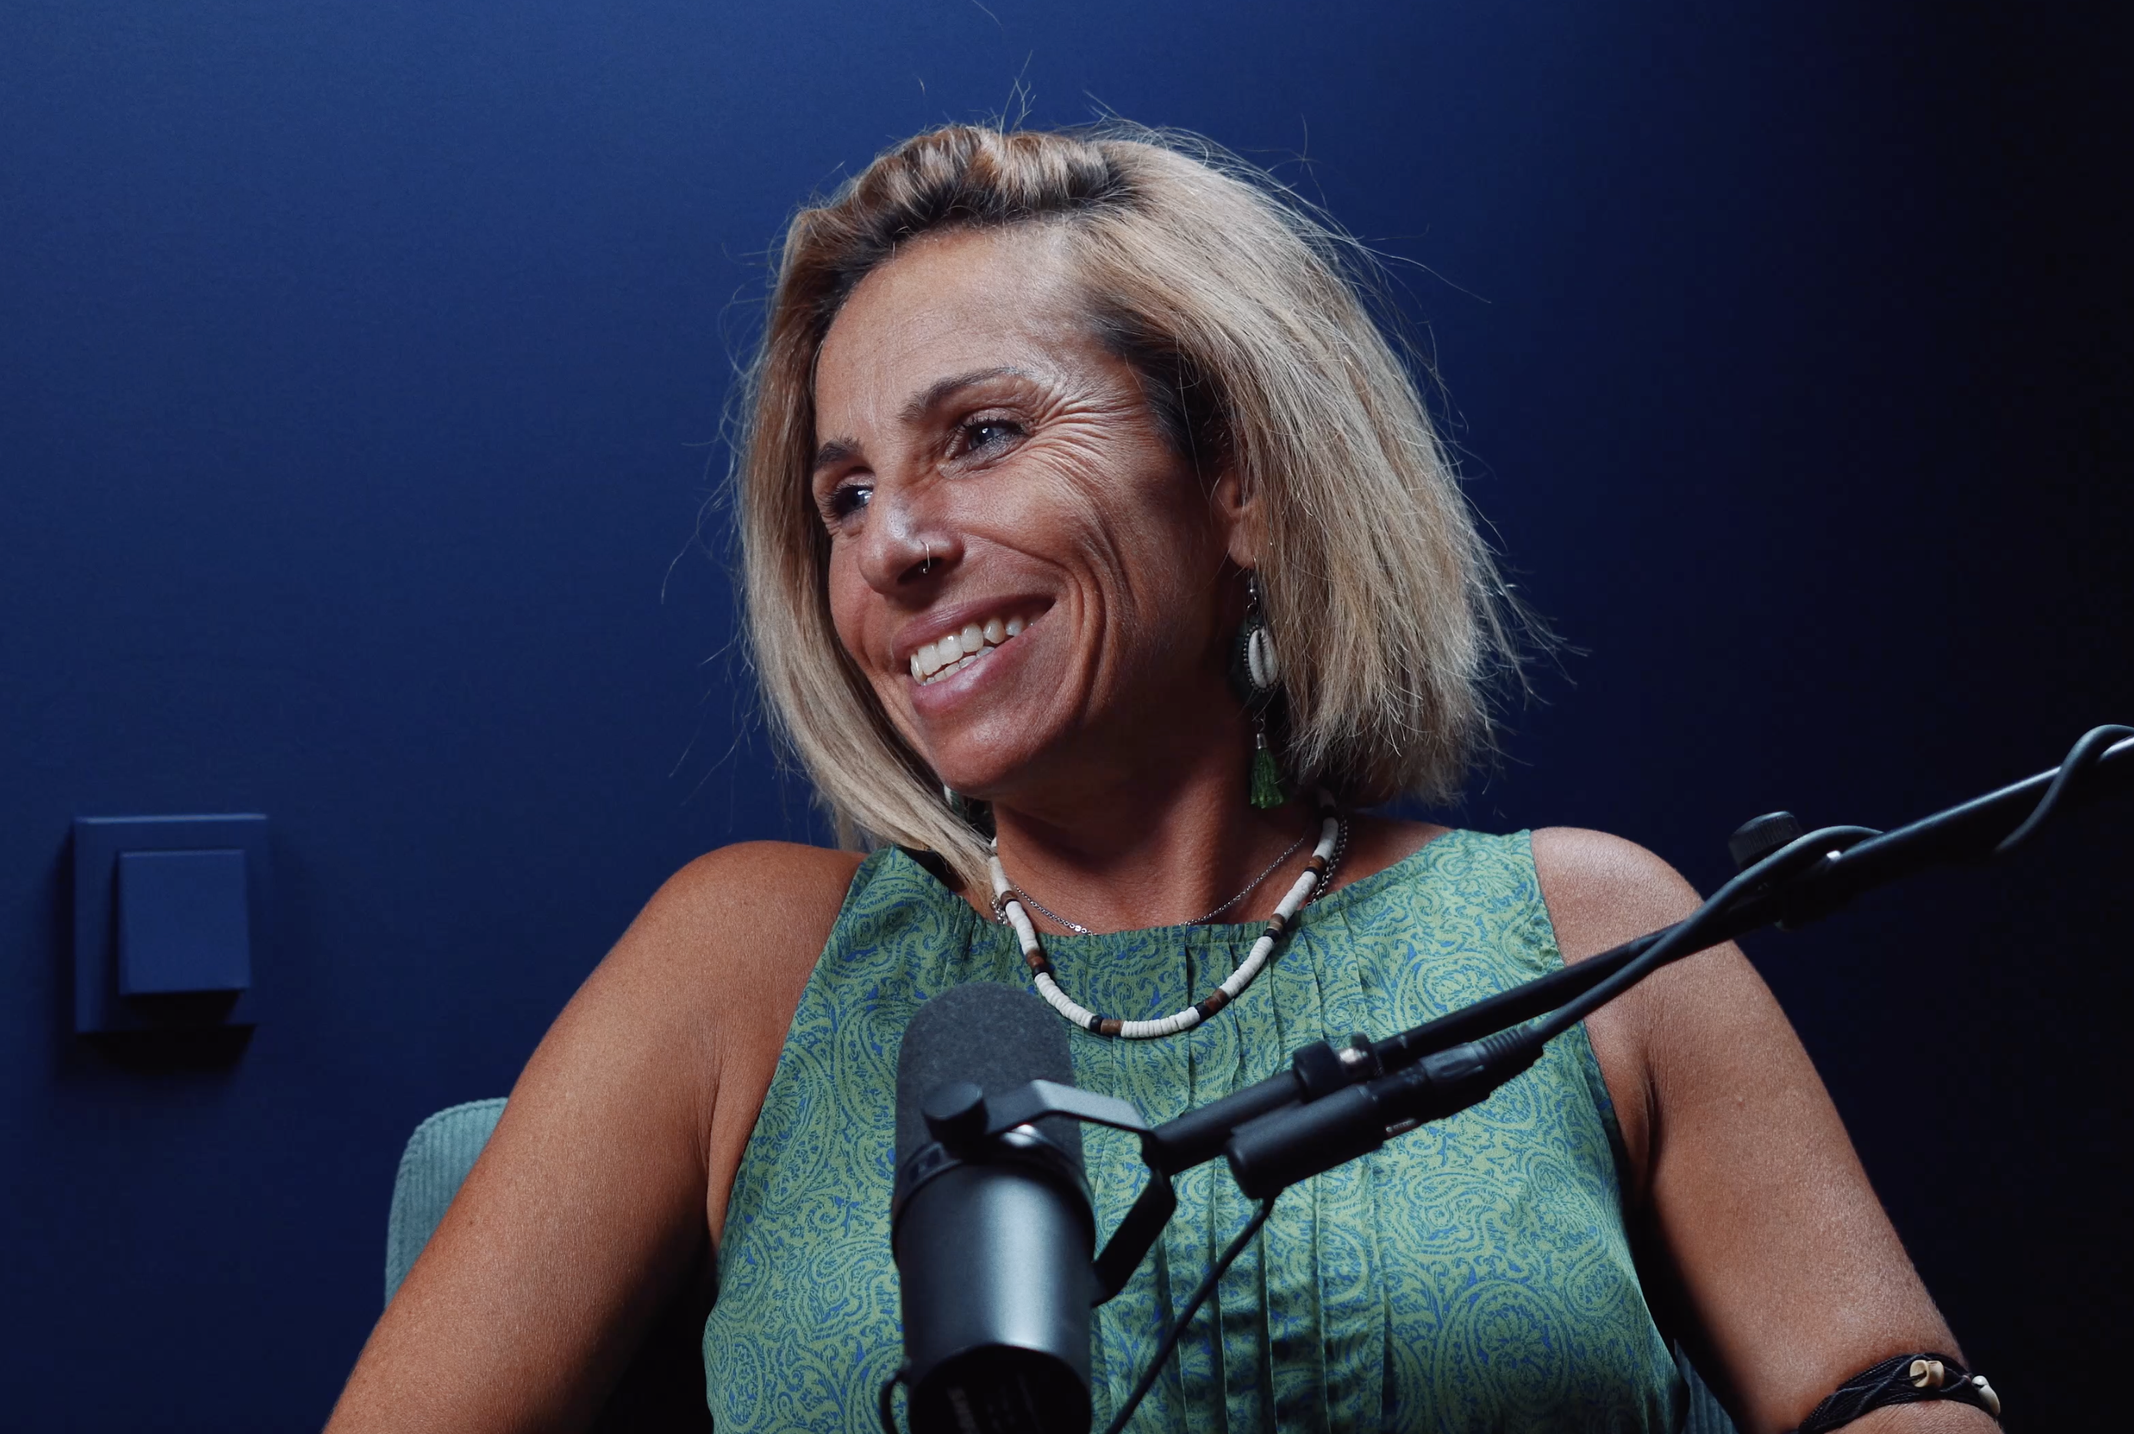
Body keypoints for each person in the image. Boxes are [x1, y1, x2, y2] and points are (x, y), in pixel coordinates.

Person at [326, 123, 1996, 1433]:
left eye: (981, 434)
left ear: (1238, 481)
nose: (893, 544)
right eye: (845, 495)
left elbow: (1892, 1392)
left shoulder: (1593, 936)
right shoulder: (742, 967)